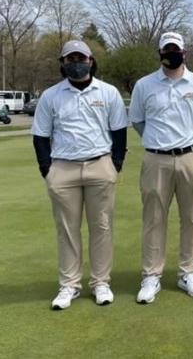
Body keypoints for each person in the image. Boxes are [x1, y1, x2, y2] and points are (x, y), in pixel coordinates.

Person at [32, 40, 128, 310]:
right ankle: (69, 285)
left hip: (100, 165)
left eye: (81, 58)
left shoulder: (108, 93)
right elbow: (40, 136)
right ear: (63, 63)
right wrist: (46, 169)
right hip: (63, 167)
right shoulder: (51, 96)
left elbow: (119, 132)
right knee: (67, 230)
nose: (76, 62)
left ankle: (100, 283)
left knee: (102, 227)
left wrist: (115, 164)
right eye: (70, 58)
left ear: (91, 60)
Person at [129, 31, 193, 303]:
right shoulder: (144, 85)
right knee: (154, 218)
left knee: (192, 217)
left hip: (191, 156)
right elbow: (138, 121)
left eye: (175, 50)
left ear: (184, 53)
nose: (171, 54)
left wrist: (188, 142)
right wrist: (159, 143)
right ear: (160, 54)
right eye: (166, 50)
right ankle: (151, 275)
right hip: (156, 158)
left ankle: (188, 272)